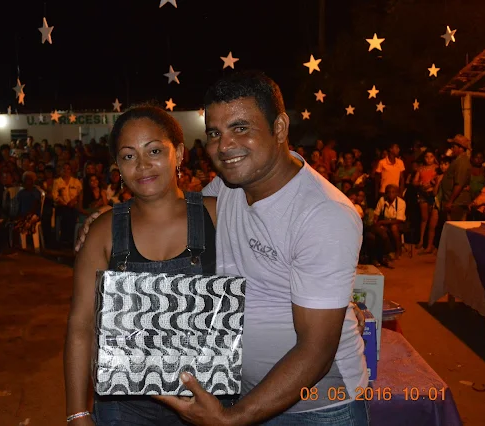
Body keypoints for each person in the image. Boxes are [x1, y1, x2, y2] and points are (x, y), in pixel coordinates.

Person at [157, 72, 368, 425]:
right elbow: (174, 216)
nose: (224, 146)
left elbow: (316, 351)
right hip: (247, 396)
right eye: (214, 133)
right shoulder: (228, 187)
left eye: (241, 128)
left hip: (318, 410)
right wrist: (113, 222)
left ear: (279, 128)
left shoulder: (322, 213)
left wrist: (231, 419)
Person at [64, 105, 218, 426]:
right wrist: (77, 413)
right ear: (118, 166)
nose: (143, 164)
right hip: (124, 406)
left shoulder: (217, 215)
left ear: (179, 153)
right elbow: (81, 325)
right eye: (129, 156)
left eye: (154, 151)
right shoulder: (105, 231)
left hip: (208, 400)